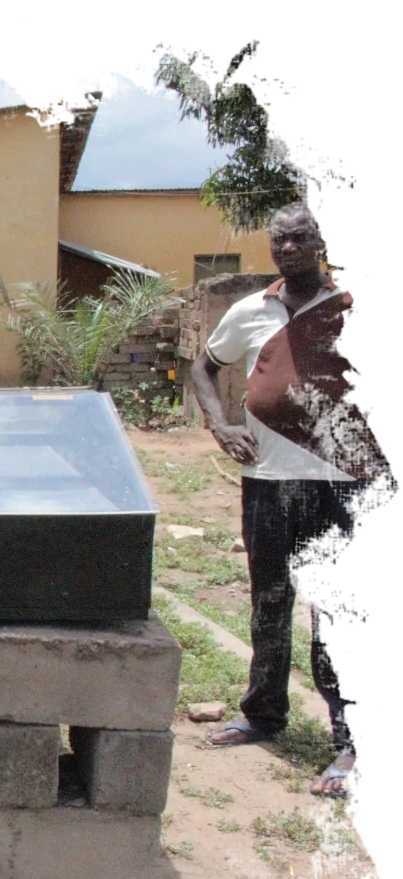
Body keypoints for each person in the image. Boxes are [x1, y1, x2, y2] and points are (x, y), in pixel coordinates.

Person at [191, 200, 371, 799]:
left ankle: (350, 741)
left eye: (300, 239)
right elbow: (204, 367)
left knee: (338, 611)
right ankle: (263, 714)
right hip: (267, 483)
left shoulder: (348, 306)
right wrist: (220, 425)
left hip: (339, 485)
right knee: (269, 603)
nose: (288, 248)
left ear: (322, 244)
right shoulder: (249, 311)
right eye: (279, 240)